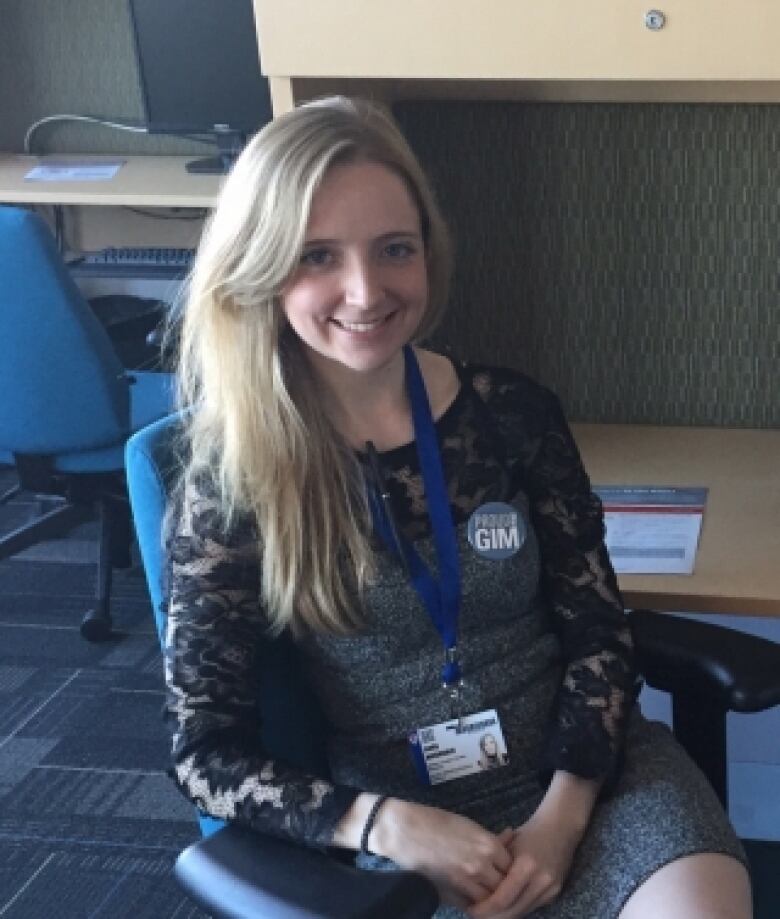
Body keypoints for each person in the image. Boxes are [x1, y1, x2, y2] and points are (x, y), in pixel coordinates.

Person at [164, 96, 751, 918]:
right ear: (260, 266)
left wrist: (561, 819)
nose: (365, 291)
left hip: (584, 775)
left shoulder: (512, 413)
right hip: (395, 818)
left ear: (428, 252)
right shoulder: (236, 478)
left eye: (394, 249)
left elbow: (598, 633)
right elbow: (205, 753)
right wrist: (382, 825)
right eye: (318, 256)